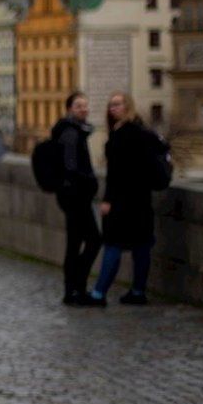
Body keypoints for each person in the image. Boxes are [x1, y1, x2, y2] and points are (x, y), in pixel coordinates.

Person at [86, 92, 161, 306]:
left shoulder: (122, 134)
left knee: (113, 245)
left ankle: (99, 293)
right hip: (141, 199)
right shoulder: (142, 131)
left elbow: (117, 174)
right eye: (111, 105)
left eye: (118, 104)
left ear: (128, 106)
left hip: (122, 201)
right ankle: (138, 292)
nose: (113, 108)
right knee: (141, 245)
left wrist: (108, 200)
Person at [53, 91, 102, 306]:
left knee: (76, 242)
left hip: (71, 196)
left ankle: (73, 289)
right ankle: (75, 288)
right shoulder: (71, 133)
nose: (84, 109)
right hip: (75, 196)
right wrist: (90, 180)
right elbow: (71, 167)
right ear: (69, 109)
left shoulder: (72, 130)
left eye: (85, 105)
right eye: (78, 106)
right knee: (91, 240)